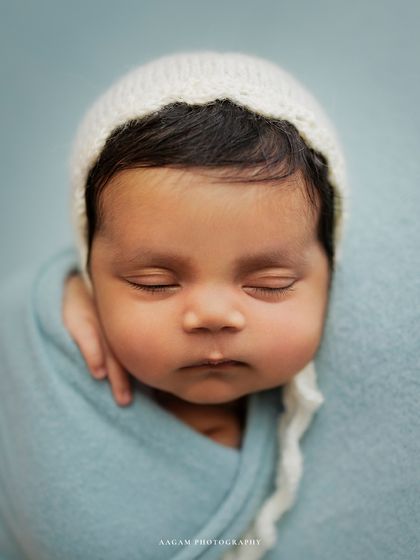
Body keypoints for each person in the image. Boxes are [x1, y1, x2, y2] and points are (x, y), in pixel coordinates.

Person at [0, 52, 346, 559]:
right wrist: (52, 294)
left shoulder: (354, 393)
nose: (211, 315)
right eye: (154, 282)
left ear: (332, 274)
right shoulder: (52, 339)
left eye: (269, 284)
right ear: (91, 278)